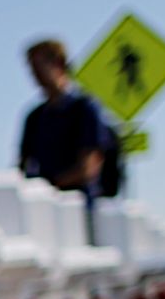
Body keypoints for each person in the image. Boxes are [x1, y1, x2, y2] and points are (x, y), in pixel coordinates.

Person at [18, 38, 113, 203]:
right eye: (32, 69)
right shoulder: (35, 117)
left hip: (79, 207)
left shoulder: (85, 109)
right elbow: (23, 166)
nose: (35, 75)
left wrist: (49, 187)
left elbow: (89, 167)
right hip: (42, 208)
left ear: (59, 64)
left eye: (39, 66)